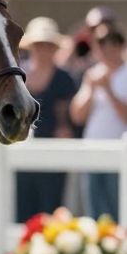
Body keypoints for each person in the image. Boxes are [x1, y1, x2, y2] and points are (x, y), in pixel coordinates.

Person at [14, 17, 76, 220]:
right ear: (32, 46)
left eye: (48, 45)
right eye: (39, 44)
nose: (43, 49)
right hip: (22, 152)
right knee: (21, 208)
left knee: (50, 209)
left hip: (53, 154)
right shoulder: (17, 75)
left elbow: (64, 117)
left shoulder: (63, 78)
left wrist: (64, 131)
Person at [70, 25, 127, 219]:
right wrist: (92, 88)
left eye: (113, 42)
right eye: (101, 43)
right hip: (92, 152)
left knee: (118, 210)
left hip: (120, 154)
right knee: (93, 212)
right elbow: (77, 115)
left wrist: (109, 90)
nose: (107, 48)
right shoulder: (92, 75)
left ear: (121, 45)